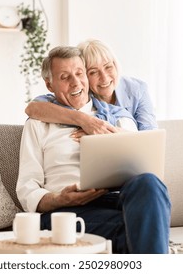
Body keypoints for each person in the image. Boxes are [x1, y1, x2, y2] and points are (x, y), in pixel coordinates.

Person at [16, 46, 171, 254]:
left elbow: (145, 166)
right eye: (65, 77)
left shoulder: (119, 118)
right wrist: (59, 199)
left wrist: (108, 136)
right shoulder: (37, 124)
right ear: (49, 85)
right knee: (145, 228)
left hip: (117, 202)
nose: (75, 82)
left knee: (149, 183)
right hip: (66, 212)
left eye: (80, 73)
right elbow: (27, 188)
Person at [25, 39, 157, 137]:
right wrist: (84, 120)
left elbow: (151, 138)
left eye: (108, 67)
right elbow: (33, 108)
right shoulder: (79, 95)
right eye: (93, 72)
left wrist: (105, 133)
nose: (104, 78)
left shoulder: (136, 89)